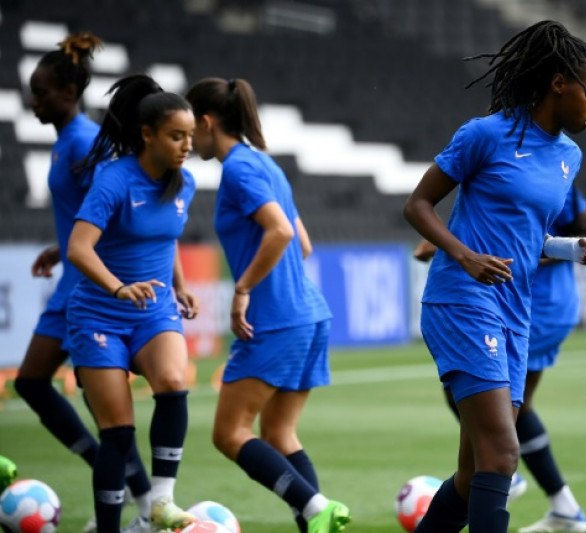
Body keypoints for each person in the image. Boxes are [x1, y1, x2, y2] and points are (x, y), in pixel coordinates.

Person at [403, 20, 586, 533]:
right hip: (463, 301)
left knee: (474, 474)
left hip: (517, 311)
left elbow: (526, 240)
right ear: (559, 83)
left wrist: (570, 248)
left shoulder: (569, 156)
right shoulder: (486, 134)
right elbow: (419, 205)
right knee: (501, 456)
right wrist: (464, 254)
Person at [185, 77, 349, 533]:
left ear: (205, 122)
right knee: (278, 435)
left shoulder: (238, 169)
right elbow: (305, 244)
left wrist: (243, 289)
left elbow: (280, 233)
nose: (186, 137)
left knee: (228, 433)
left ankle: (315, 507)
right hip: (309, 315)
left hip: (275, 319)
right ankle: (317, 521)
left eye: (188, 127)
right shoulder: (266, 165)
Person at [14, 33, 153, 533]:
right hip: (71, 282)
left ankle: (135, 498)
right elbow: (84, 214)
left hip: (87, 290)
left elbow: (110, 212)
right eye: (32, 90)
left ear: (69, 93)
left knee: (104, 409)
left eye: (42, 91)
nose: (34, 100)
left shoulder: (82, 144)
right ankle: (127, 488)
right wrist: (60, 243)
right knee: (34, 383)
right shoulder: (66, 143)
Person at [415, 184, 586, 533]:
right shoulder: (540, 163)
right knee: (513, 405)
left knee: (482, 399)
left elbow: (582, 228)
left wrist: (573, 246)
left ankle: (501, 473)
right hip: (530, 301)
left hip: (532, 301)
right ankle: (560, 504)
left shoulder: (553, 162)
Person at [66, 74, 199, 533]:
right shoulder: (114, 179)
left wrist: (179, 286)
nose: (186, 146)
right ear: (148, 135)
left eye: (191, 137)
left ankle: (160, 502)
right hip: (98, 314)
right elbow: (79, 249)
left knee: (172, 381)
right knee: (117, 435)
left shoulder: (186, 184)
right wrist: (119, 288)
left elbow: (168, 240)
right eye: (176, 136)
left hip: (154, 311)